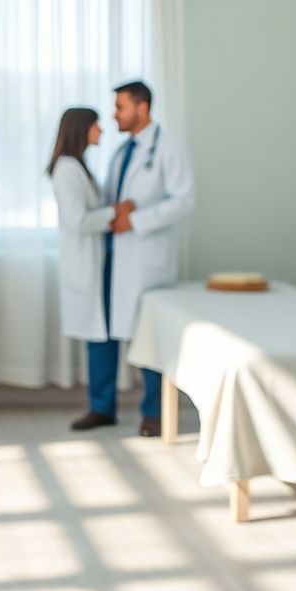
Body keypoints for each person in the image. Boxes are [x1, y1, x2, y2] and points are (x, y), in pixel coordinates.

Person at [70, 81, 195, 437]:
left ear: (142, 108)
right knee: (102, 332)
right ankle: (101, 406)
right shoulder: (121, 152)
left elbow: (184, 200)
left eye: (120, 107)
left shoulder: (170, 147)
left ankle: (154, 413)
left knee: (149, 336)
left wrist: (135, 221)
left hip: (144, 260)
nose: (114, 115)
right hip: (110, 255)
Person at [48, 107, 133, 344]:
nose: (101, 130)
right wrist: (114, 212)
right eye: (96, 124)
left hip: (97, 259)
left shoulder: (78, 166)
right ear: (82, 129)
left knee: (102, 333)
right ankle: (100, 384)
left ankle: (103, 383)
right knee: (98, 337)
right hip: (85, 262)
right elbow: (78, 221)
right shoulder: (67, 169)